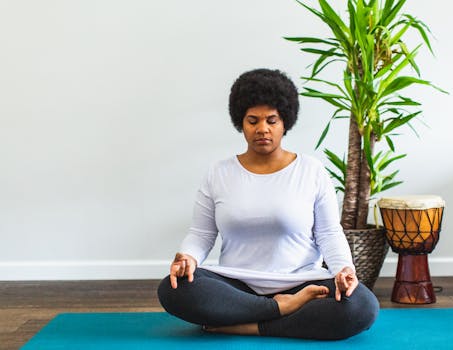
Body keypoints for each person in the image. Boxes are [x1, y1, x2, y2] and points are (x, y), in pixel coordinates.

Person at [157, 68, 379, 340]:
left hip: (301, 282)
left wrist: (344, 269)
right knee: (174, 288)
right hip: (237, 285)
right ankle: (279, 308)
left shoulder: (311, 170)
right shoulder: (220, 172)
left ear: (285, 122)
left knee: (361, 306)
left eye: (271, 120)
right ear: (241, 123)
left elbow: (329, 233)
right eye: (253, 121)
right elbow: (202, 233)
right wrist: (188, 258)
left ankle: (251, 324)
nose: (262, 129)